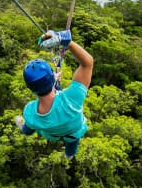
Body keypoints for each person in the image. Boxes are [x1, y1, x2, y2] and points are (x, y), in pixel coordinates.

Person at [15, 30, 94, 159]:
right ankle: (69, 155)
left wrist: (52, 82)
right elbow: (88, 63)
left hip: (51, 133)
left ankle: (23, 126)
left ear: (30, 88)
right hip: (72, 132)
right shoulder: (71, 100)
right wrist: (66, 41)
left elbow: (45, 94)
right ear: (52, 79)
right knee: (72, 144)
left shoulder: (30, 111)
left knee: (27, 128)